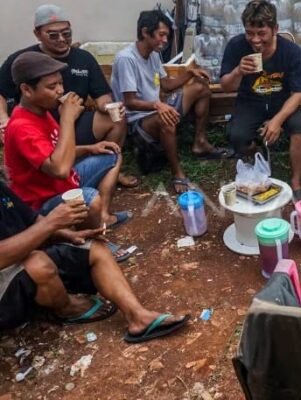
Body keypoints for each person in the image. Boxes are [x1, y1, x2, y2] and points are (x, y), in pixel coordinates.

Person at [0, 179, 189, 343]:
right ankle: (66, 309)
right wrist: (52, 223)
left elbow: (33, 220)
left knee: (95, 248)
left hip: (26, 254)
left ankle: (138, 317)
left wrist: (70, 235)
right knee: (38, 263)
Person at [3, 52, 132, 261]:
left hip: (63, 182)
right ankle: (94, 246)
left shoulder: (41, 111)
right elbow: (60, 168)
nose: (61, 91)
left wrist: (91, 148)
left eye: (60, 84)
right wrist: (67, 119)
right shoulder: (22, 127)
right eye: (51, 87)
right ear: (26, 90)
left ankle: (103, 217)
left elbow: (57, 149)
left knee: (112, 154)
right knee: (89, 198)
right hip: (41, 205)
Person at [0, 4, 138, 188]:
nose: (61, 39)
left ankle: (107, 169)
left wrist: (110, 107)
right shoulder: (24, 60)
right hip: (39, 128)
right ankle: (68, 172)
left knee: (117, 120)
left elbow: (102, 97)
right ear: (37, 33)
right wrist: (3, 119)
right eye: (53, 35)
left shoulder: (83, 59)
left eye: (66, 33)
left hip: (76, 123)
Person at [112, 10, 226, 194]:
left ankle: (200, 142)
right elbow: (130, 102)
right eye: (161, 35)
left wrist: (190, 73)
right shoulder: (126, 59)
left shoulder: (154, 54)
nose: (165, 40)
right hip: (137, 122)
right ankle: (177, 173)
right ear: (145, 32)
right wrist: (157, 105)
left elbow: (165, 85)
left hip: (157, 109)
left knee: (201, 87)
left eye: (167, 35)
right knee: (165, 119)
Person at [219, 0, 301, 201]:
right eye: (250, 33)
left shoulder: (291, 52)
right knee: (237, 137)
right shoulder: (236, 46)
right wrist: (237, 71)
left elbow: (298, 93)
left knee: (299, 130)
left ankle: (296, 184)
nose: (255, 40)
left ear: (275, 29)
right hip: (251, 101)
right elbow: (225, 85)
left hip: (282, 101)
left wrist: (277, 120)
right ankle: (257, 151)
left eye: (262, 34)